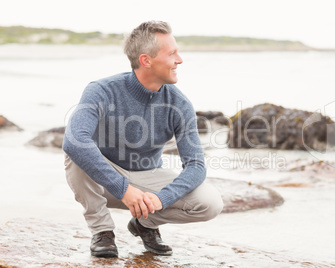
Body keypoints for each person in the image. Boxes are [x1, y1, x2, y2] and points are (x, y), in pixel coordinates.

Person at [63, 20, 223, 258]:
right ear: (146, 60)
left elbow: (196, 166)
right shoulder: (102, 90)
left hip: (147, 179)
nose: (180, 60)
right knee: (76, 153)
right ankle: (102, 232)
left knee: (210, 203)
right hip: (104, 180)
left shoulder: (179, 104)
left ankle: (144, 224)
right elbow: (74, 140)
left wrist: (162, 198)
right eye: (172, 54)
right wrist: (123, 189)